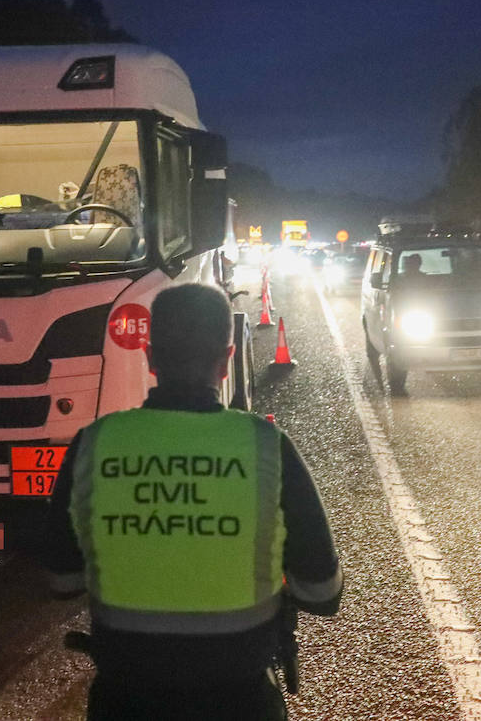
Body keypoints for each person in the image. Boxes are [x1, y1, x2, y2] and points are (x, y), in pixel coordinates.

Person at [43, 283, 343, 720]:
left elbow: (62, 581)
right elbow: (321, 592)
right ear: (226, 360)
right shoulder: (266, 445)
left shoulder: (93, 443)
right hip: (240, 700)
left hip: (126, 699)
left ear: (150, 357)